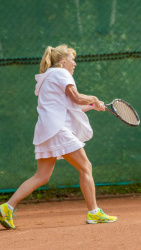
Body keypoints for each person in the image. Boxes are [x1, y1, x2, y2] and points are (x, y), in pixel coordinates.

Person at [0, 44, 117, 229]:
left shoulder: (48, 77)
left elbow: (72, 106)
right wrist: (93, 98)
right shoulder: (62, 74)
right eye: (73, 60)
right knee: (86, 167)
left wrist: (94, 105)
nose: (75, 64)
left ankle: (7, 207)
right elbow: (78, 98)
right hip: (57, 129)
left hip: (46, 130)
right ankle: (94, 212)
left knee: (42, 176)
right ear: (63, 61)